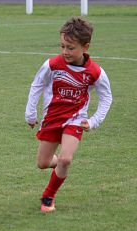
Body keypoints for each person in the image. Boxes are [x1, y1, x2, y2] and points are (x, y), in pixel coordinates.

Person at [25, 17, 112, 213]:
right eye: (63, 46)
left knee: (65, 159)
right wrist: (30, 114)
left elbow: (106, 97)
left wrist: (93, 121)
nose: (65, 51)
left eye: (71, 48)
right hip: (51, 120)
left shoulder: (95, 72)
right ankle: (59, 165)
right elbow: (36, 85)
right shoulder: (52, 64)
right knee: (43, 163)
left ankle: (48, 197)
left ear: (85, 47)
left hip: (75, 120)